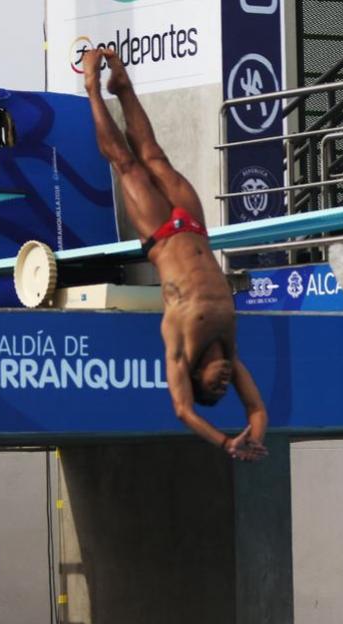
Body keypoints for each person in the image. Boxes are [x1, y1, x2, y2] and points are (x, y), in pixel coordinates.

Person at [84, 48, 268, 462]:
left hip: (162, 236)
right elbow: (256, 408)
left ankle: (94, 89)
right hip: (195, 226)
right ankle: (124, 86)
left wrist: (224, 443)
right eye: (225, 389)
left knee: (127, 165)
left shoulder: (181, 346)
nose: (222, 381)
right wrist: (252, 438)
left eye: (213, 386)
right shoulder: (232, 352)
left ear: (195, 375)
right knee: (155, 155)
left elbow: (183, 410)